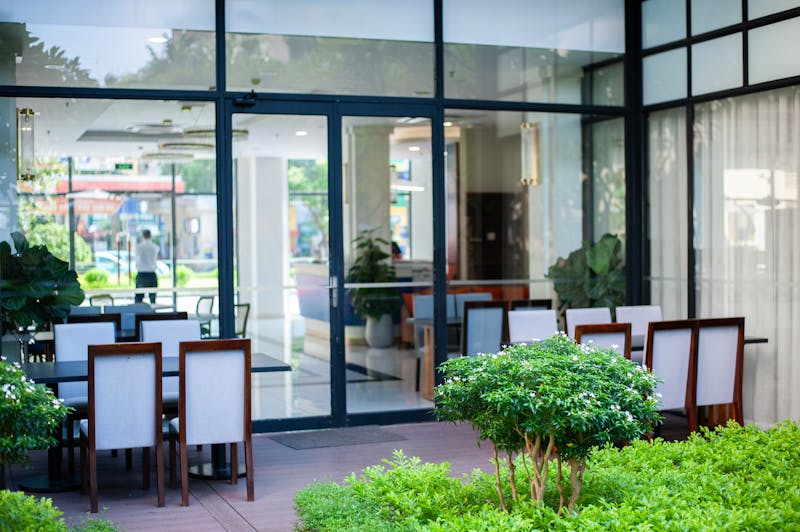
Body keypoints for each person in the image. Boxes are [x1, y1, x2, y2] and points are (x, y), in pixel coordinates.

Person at [135, 229, 159, 303]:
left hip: (141, 274)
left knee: (138, 299)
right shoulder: (155, 247)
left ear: (143, 236)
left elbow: (137, 259)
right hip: (152, 274)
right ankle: (152, 310)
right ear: (150, 236)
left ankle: (139, 311)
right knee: (153, 299)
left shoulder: (138, 247)